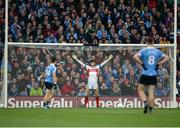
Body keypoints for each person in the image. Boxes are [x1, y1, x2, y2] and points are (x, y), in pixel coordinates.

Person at [133, 38, 169, 114]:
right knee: (151, 92)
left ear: (146, 42)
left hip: (145, 73)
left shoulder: (143, 50)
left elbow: (135, 57)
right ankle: (151, 109)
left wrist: (141, 63)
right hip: (153, 74)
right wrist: (159, 63)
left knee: (140, 89)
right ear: (153, 42)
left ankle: (145, 102)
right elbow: (167, 57)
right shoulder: (157, 51)